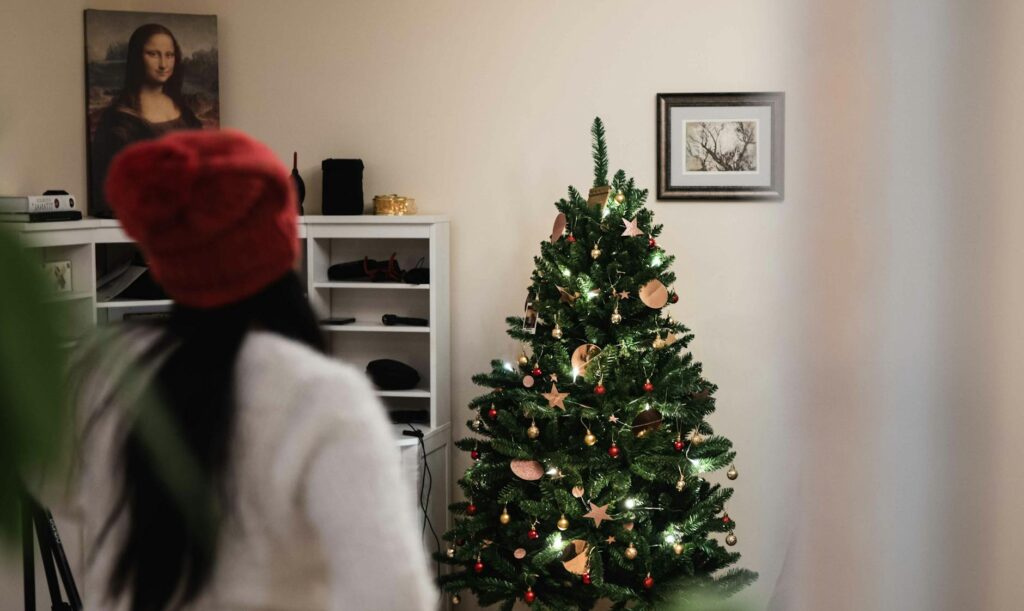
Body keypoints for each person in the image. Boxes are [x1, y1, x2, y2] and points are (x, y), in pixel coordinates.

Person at [65, 130, 437, 610]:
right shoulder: (325, 396)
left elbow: (57, 491)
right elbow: (394, 596)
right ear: (281, 242)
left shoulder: (102, 371)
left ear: (163, 260)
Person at [89, 24, 204, 218]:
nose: (163, 64)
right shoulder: (118, 119)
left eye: (169, 55)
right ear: (137, 57)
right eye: (153, 54)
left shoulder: (186, 112)